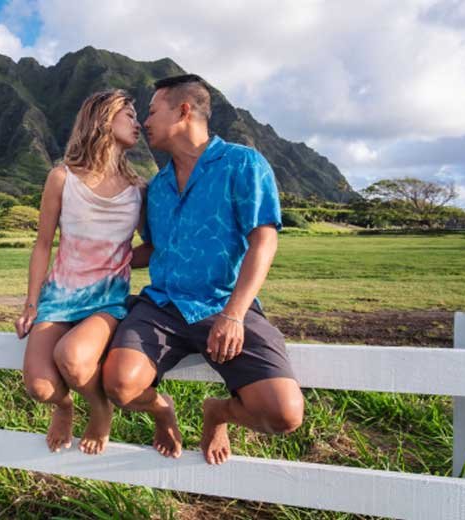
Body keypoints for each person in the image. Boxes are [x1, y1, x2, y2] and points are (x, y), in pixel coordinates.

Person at [101, 74, 305, 465]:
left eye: (152, 110)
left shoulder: (242, 162)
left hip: (225, 304)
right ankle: (163, 409)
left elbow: (264, 240)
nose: (145, 121)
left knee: (284, 413)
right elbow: (156, 249)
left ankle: (219, 412)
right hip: (162, 307)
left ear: (183, 110)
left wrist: (234, 314)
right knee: (120, 385)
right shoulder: (156, 187)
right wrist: (96, 258)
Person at [16, 89, 146, 455]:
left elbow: (152, 248)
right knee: (39, 387)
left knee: (72, 357)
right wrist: (30, 303)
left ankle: (100, 408)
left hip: (107, 300)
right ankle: (65, 406)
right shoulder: (61, 177)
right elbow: (43, 244)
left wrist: (119, 259)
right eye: (129, 115)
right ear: (104, 120)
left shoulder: (139, 191)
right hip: (59, 297)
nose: (137, 124)